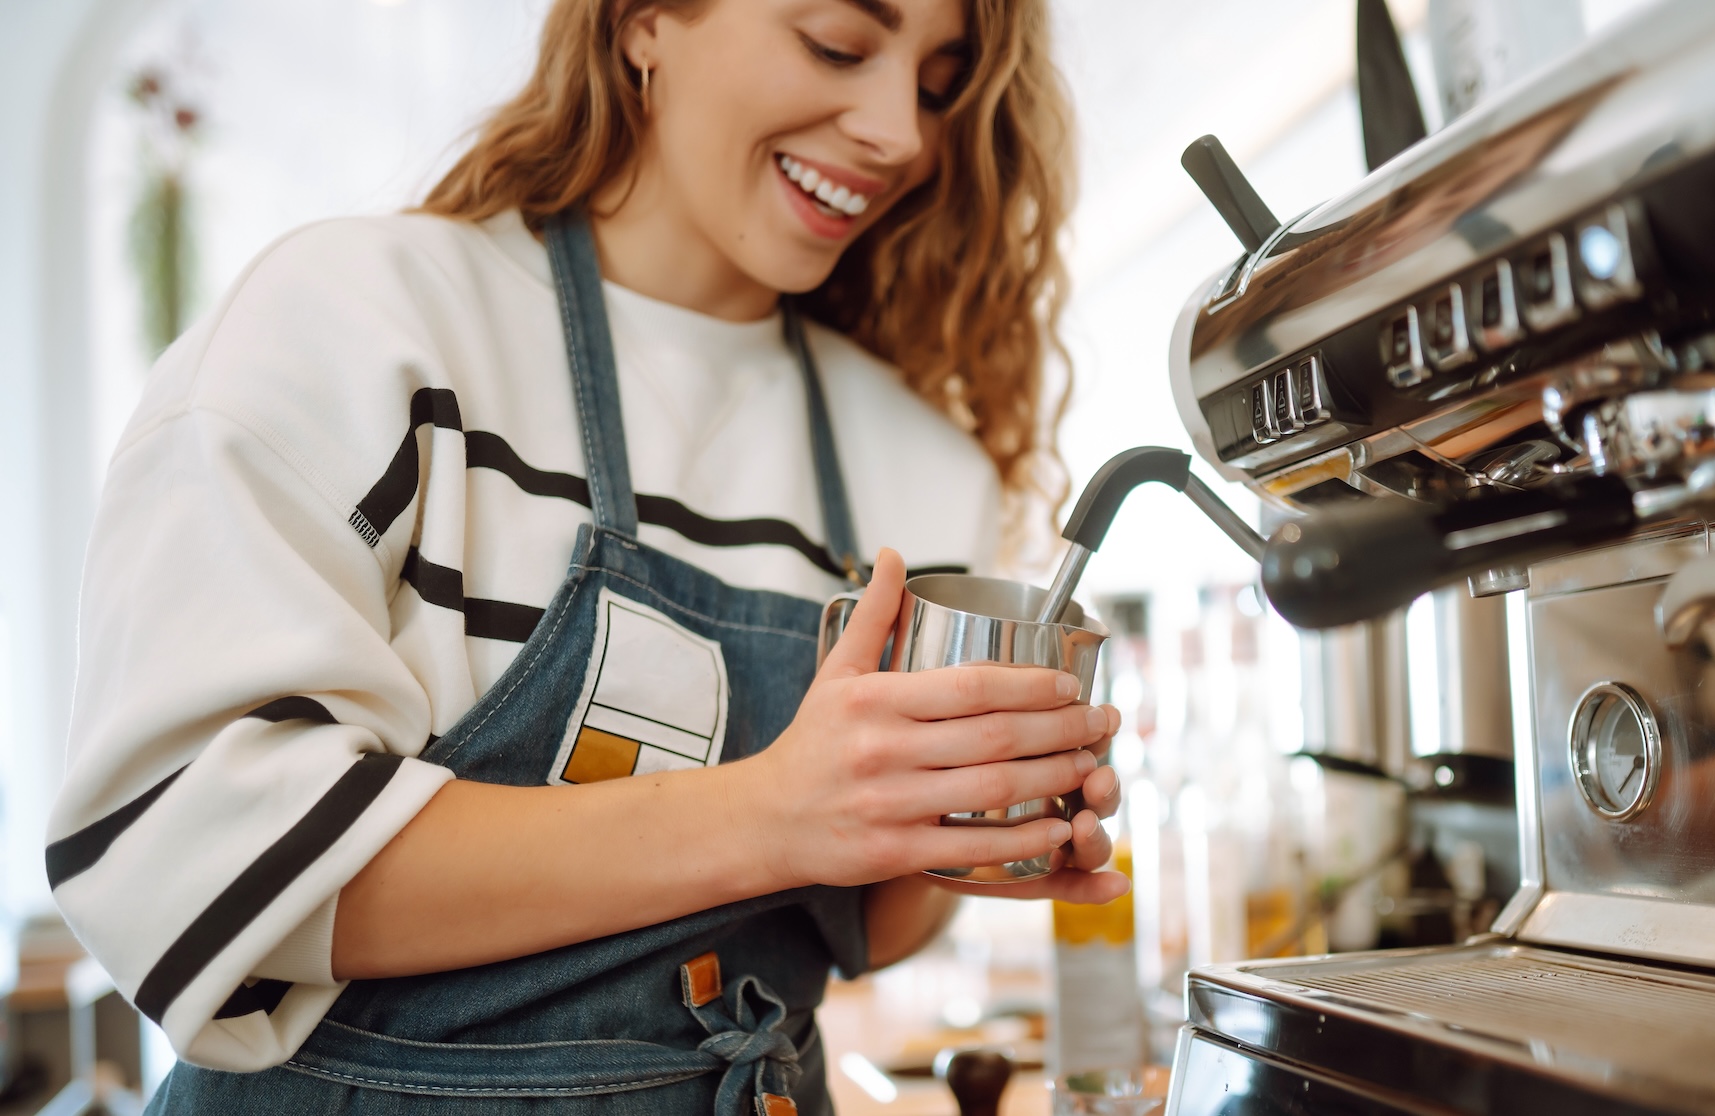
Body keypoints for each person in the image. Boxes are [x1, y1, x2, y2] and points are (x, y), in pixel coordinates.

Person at [48, 0, 1126, 1111]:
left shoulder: (919, 467)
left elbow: (858, 932)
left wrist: (966, 824)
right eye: (837, 45)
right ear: (645, 22)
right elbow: (194, 863)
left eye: (939, 84)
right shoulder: (360, 323)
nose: (899, 131)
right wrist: (772, 814)